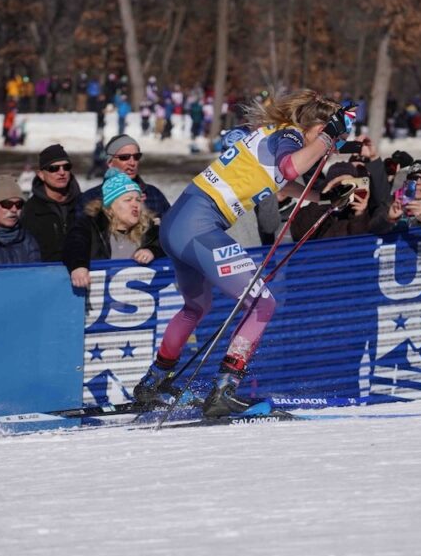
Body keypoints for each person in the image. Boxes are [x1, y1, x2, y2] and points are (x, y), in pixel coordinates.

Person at [133, 89, 351, 417]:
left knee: (196, 307)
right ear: (317, 127)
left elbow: (280, 181)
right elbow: (291, 169)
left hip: (179, 225)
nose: (331, 149)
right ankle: (224, 389)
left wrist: (321, 196)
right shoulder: (289, 134)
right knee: (263, 304)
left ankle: (153, 381)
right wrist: (327, 137)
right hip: (198, 226)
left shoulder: (274, 137)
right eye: (330, 139)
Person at [62, 169, 163, 287]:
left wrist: (152, 250)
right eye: (128, 200)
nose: (135, 205)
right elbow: (75, 243)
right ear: (110, 207)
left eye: (138, 200)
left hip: (137, 302)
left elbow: (167, 244)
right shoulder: (90, 226)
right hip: (97, 300)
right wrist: (78, 266)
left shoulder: (149, 229)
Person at [75, 134, 171, 220]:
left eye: (136, 157)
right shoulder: (89, 198)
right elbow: (80, 235)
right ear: (110, 163)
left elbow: (171, 230)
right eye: (124, 157)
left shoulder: (154, 194)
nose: (132, 163)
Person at [22, 143, 82, 261]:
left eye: (66, 167)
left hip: (84, 275)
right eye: (53, 168)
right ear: (41, 175)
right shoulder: (30, 210)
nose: (62, 172)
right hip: (46, 275)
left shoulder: (83, 204)